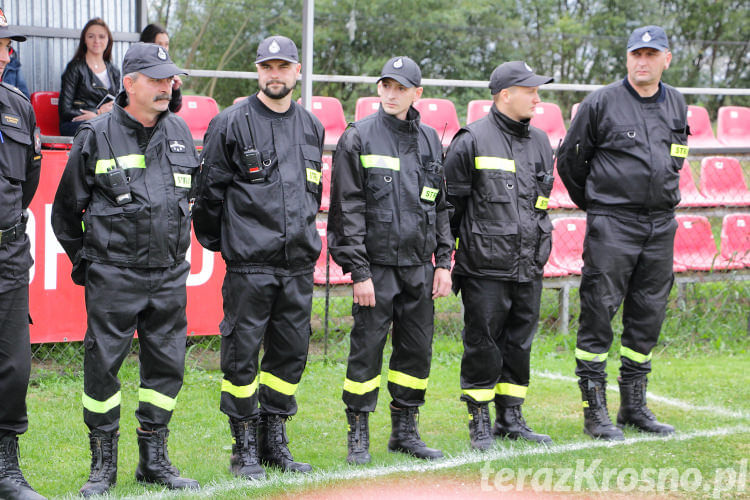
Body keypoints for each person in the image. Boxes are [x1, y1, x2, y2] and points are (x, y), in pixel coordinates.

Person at [51, 43, 200, 496]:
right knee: (102, 370)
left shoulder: (181, 133)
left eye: (169, 79)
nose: (165, 86)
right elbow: (64, 215)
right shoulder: (95, 135)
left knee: (166, 369)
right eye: (154, 79)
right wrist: (90, 265)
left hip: (170, 274)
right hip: (114, 274)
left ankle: (154, 461)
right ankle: (103, 467)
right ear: (129, 83)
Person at [192, 35, 324, 479]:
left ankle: (275, 440)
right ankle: (244, 445)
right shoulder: (230, 123)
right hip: (250, 264)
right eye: (267, 66)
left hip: (298, 264)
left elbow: (313, 193)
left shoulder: (311, 126)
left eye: (283, 66)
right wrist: (227, 244)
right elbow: (208, 196)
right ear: (257, 70)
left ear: (297, 72)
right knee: (242, 356)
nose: (275, 74)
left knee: (289, 356)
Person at [557, 25, 683, 440]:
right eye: (636, 54)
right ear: (627, 58)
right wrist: (598, 203)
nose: (642, 62)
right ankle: (596, 412)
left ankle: (634, 407)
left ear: (667, 58)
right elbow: (570, 161)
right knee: (599, 311)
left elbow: (676, 157)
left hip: (661, 224)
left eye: (651, 54)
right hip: (613, 223)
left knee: (648, 314)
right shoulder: (601, 103)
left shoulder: (677, 103)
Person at [328, 56, 452, 465]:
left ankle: (405, 431)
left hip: (419, 265)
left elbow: (441, 205)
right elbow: (346, 209)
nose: (392, 94)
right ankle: (358, 432)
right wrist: (358, 272)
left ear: (418, 92)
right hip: (376, 268)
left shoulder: (432, 139)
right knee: (367, 349)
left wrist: (443, 261)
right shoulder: (358, 136)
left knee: (416, 352)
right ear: (378, 89)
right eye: (386, 86)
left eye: (401, 88)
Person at [443, 61, 554, 450]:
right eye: (530, 91)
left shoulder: (541, 141)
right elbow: (449, 209)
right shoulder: (471, 139)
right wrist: (450, 260)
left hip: (529, 263)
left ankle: (511, 417)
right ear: (505, 94)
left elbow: (540, 202)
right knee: (484, 343)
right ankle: (480, 421)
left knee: (519, 343)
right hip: (484, 266)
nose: (537, 98)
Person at [0, 11, 45, 500]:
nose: (5, 54)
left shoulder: (18, 107)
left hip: (8, 251)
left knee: (12, 366)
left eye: (9, 46)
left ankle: (4, 469)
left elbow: (27, 182)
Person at [59, 18, 120, 136]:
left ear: (108, 40)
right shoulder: (75, 68)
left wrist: (101, 115)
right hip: (75, 124)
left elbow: (117, 106)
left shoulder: (114, 71)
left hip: (105, 123)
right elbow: (64, 110)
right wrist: (97, 113)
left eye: (101, 36)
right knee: (101, 129)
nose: (96, 40)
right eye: (91, 36)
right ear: (84, 40)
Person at [139, 23, 182, 113]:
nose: (164, 49)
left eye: (166, 44)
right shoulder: (136, 70)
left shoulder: (169, 69)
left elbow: (175, 108)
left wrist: (175, 90)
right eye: (159, 44)